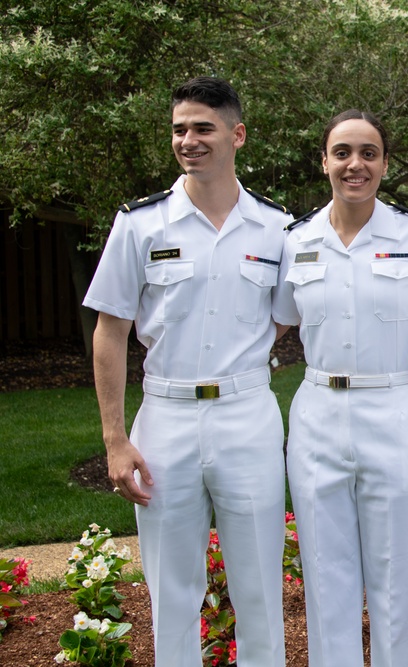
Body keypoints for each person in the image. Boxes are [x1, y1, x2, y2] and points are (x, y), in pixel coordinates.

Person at [84, 77, 290, 666]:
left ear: (237, 134)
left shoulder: (276, 228)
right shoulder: (141, 224)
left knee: (257, 587)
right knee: (171, 590)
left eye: (203, 127)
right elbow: (110, 330)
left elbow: (279, 319)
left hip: (246, 416)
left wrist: (237, 360)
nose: (189, 140)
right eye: (179, 129)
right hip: (166, 419)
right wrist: (115, 439)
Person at [272, 110, 408, 667]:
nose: (355, 164)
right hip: (318, 413)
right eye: (342, 152)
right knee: (326, 577)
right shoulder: (296, 239)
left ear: (384, 163)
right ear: (324, 162)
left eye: (368, 153)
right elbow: (278, 322)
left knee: (396, 581)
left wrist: (388, 389)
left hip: (394, 411)